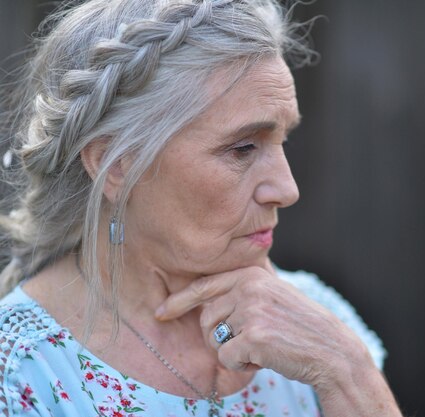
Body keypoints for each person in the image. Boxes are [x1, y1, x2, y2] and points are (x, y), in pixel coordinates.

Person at [0, 1, 402, 416]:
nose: (286, 189)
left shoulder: (315, 323)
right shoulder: (22, 375)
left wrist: (348, 373)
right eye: (243, 148)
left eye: (283, 141)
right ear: (116, 165)